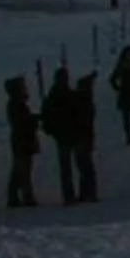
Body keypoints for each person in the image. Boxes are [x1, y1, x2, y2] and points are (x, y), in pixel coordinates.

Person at [42, 66, 79, 206]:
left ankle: (69, 195)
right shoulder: (60, 95)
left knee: (66, 166)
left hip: (65, 133)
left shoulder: (55, 94)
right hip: (65, 133)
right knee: (68, 165)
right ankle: (69, 195)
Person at [2, 77, 39, 210]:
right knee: (23, 170)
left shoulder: (17, 103)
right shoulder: (15, 104)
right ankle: (25, 197)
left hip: (22, 141)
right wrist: (34, 120)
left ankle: (15, 197)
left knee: (19, 170)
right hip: (22, 141)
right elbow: (22, 123)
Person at [70, 71, 99, 205]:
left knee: (84, 165)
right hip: (86, 136)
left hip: (81, 136)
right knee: (85, 165)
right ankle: (87, 193)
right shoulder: (87, 99)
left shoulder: (81, 100)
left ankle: (88, 193)